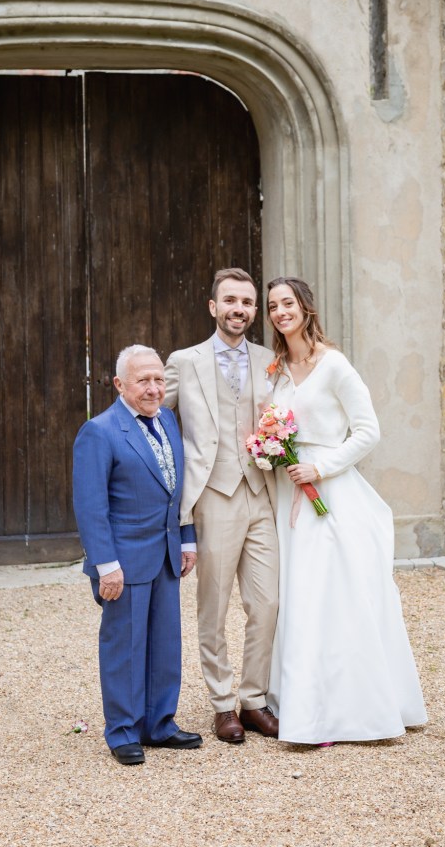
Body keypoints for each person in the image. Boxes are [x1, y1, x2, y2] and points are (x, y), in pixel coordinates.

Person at [264, 277, 428, 744]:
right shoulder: (276, 370)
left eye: (287, 303)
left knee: (332, 593)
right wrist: (270, 451)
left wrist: (321, 467)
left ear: (305, 307)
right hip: (288, 493)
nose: (280, 312)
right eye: (273, 306)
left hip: (329, 493)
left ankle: (350, 710)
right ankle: (301, 704)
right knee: (297, 593)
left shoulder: (333, 364)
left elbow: (368, 431)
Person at [164, 268, 279, 743]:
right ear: (214, 307)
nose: (239, 309)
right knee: (213, 606)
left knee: (268, 603)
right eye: (230, 300)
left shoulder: (270, 360)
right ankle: (221, 704)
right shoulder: (183, 361)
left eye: (247, 303)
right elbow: (155, 414)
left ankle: (253, 700)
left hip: (261, 493)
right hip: (212, 496)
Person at [73, 345, 202, 765]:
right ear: (119, 384)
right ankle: (123, 731)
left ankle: (159, 724)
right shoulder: (99, 431)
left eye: (159, 379)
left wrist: (186, 539)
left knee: (165, 643)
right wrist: (106, 565)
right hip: (123, 561)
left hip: (166, 554)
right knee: (125, 647)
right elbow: (90, 506)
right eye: (143, 380)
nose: (153, 388)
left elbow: (177, 489)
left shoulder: (167, 419)